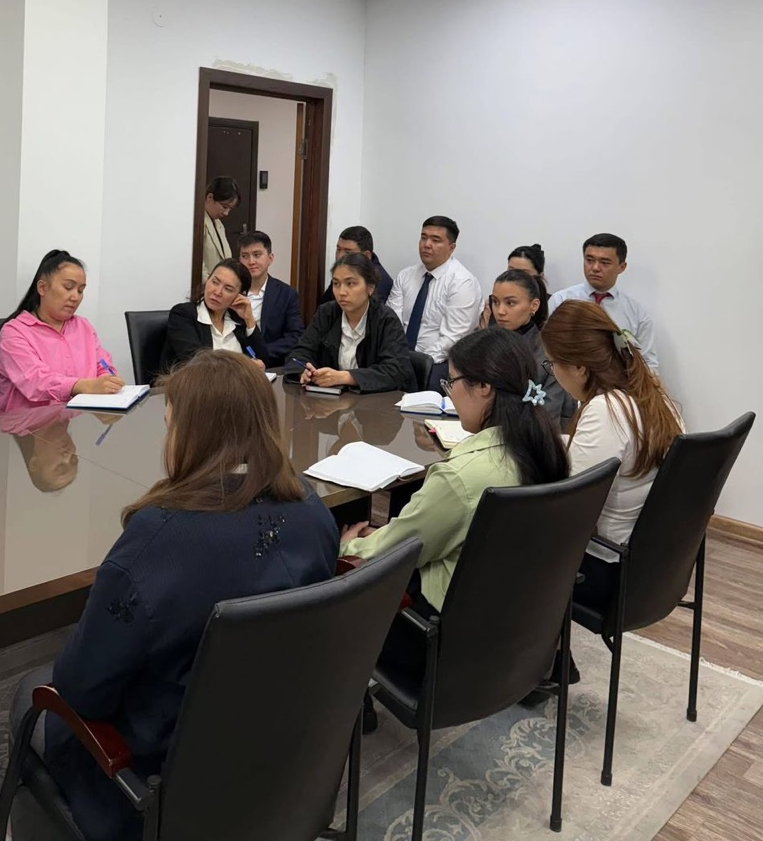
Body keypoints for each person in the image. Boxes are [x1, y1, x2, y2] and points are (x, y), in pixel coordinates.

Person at [35, 351, 340, 841]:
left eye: (170, 425)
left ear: (194, 435)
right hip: (285, 753)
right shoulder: (311, 506)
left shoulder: (157, 541)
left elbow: (81, 687)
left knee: (29, 699)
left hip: (161, 779)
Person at [340, 328, 568, 727]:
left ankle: (351, 716)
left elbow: (393, 553)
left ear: (484, 388)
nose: (450, 395)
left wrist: (348, 546)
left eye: (452, 383)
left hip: (438, 648)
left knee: (337, 586)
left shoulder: (462, 476)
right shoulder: (543, 446)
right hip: (517, 635)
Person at [542, 299, 682, 610]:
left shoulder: (606, 410)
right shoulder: (655, 397)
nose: (553, 373)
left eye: (552, 364)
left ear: (579, 368)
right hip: (654, 570)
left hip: (602, 570)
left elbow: (569, 509)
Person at [0, 250, 121, 413]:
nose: (75, 297)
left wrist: (107, 381)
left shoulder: (83, 327)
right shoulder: (14, 333)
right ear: (42, 288)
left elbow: (103, 364)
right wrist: (83, 385)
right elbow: (35, 381)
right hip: (29, 424)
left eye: (80, 290)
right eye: (68, 287)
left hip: (79, 420)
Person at [287, 254, 415, 392]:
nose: (341, 292)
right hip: (331, 400)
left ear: (370, 287)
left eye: (350, 284)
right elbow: (299, 353)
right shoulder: (326, 313)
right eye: (336, 284)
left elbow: (396, 371)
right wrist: (304, 371)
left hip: (375, 402)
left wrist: (346, 377)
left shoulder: (386, 320)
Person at [388, 216, 482, 379]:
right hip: (399, 357)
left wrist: (416, 362)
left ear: (451, 247)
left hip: (438, 362)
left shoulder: (462, 283)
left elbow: (453, 339)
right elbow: (391, 323)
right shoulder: (405, 276)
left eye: (435, 240)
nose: (426, 244)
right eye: (423, 237)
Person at [548, 233, 659, 372]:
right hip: (569, 380)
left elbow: (648, 363)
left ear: (622, 267)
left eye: (605, 263)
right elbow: (547, 349)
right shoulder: (560, 301)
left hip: (619, 382)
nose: (595, 268)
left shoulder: (637, 313)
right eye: (589, 260)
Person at [488, 269, 575, 428]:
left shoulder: (549, 354)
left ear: (534, 305)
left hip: (532, 436)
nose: (500, 311)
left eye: (510, 303)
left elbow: (549, 418)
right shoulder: (484, 344)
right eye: (495, 302)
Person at [161, 258, 270, 371]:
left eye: (228, 289)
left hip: (237, 382)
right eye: (215, 282)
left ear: (239, 296)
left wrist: (249, 319)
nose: (217, 292)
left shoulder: (238, 321)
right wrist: (244, 366)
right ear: (207, 280)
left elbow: (262, 361)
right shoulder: (183, 314)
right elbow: (197, 363)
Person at [238, 231, 304, 366]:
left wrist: (261, 353)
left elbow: (295, 336)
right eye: (245, 256)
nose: (251, 262)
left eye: (257, 255)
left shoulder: (286, 294)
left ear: (270, 258)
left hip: (271, 364)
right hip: (236, 362)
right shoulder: (232, 291)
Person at [318, 226, 393, 305]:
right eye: (338, 249)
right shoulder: (342, 271)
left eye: (348, 252)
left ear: (366, 256)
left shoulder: (379, 281)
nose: (340, 256)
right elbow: (324, 305)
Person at [481, 245, 550, 327]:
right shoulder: (491, 303)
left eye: (523, 273)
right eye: (511, 271)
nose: (500, 311)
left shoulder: (551, 303)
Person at [201, 176, 240, 282]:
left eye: (230, 209)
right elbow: (198, 265)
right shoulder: (198, 223)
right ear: (210, 198)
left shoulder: (219, 224)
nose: (226, 213)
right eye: (224, 206)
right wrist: (211, 285)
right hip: (206, 286)